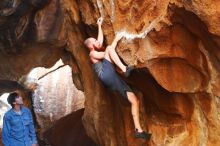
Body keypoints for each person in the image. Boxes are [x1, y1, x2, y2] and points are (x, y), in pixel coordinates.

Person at [84, 17, 151, 140]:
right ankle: (125, 70)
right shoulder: (92, 54)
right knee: (109, 48)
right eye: (95, 41)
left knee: (134, 100)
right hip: (106, 75)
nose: (98, 41)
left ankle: (139, 130)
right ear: (90, 46)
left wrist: (99, 25)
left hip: (113, 79)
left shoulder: (97, 49)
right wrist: (115, 39)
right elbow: (108, 52)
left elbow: (103, 45)